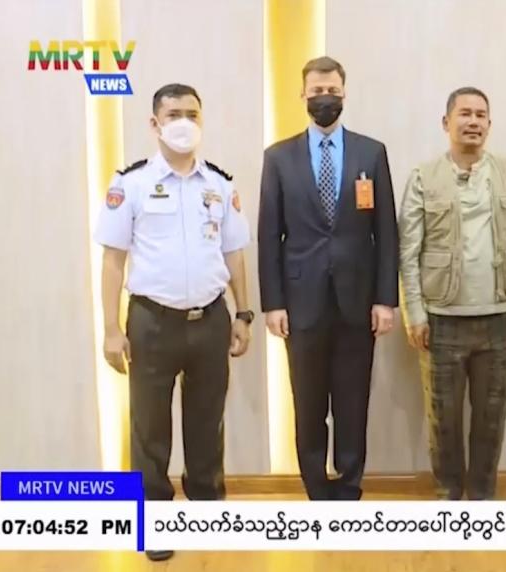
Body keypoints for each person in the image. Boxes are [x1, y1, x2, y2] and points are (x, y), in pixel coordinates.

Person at [94, 83, 252, 561]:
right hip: (151, 321)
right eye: (173, 113)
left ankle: (206, 507)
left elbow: (234, 254)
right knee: (150, 427)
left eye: (192, 114)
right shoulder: (131, 184)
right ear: (154, 123)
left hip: (211, 320)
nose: (183, 122)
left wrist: (243, 313)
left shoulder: (220, 184)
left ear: (201, 121)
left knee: (208, 423)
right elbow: (113, 261)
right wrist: (110, 329)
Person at [258, 56, 398, 501]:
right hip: (300, 302)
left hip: (359, 300)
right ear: (302, 95)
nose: (325, 99)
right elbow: (268, 234)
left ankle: (351, 482)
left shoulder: (370, 152)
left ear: (344, 94)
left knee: (354, 398)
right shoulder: (278, 157)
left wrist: (385, 299)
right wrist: (273, 303)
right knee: (309, 400)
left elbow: (386, 231)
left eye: (333, 91)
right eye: (316, 91)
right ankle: (316, 485)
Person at [398, 87, 506, 500]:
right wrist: (415, 313)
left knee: (491, 416)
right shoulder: (424, 176)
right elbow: (408, 249)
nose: (473, 121)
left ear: (489, 125)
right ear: (446, 123)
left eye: (481, 115)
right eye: (464, 114)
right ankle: (448, 492)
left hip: (497, 316)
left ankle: (482, 495)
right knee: (443, 417)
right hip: (441, 319)